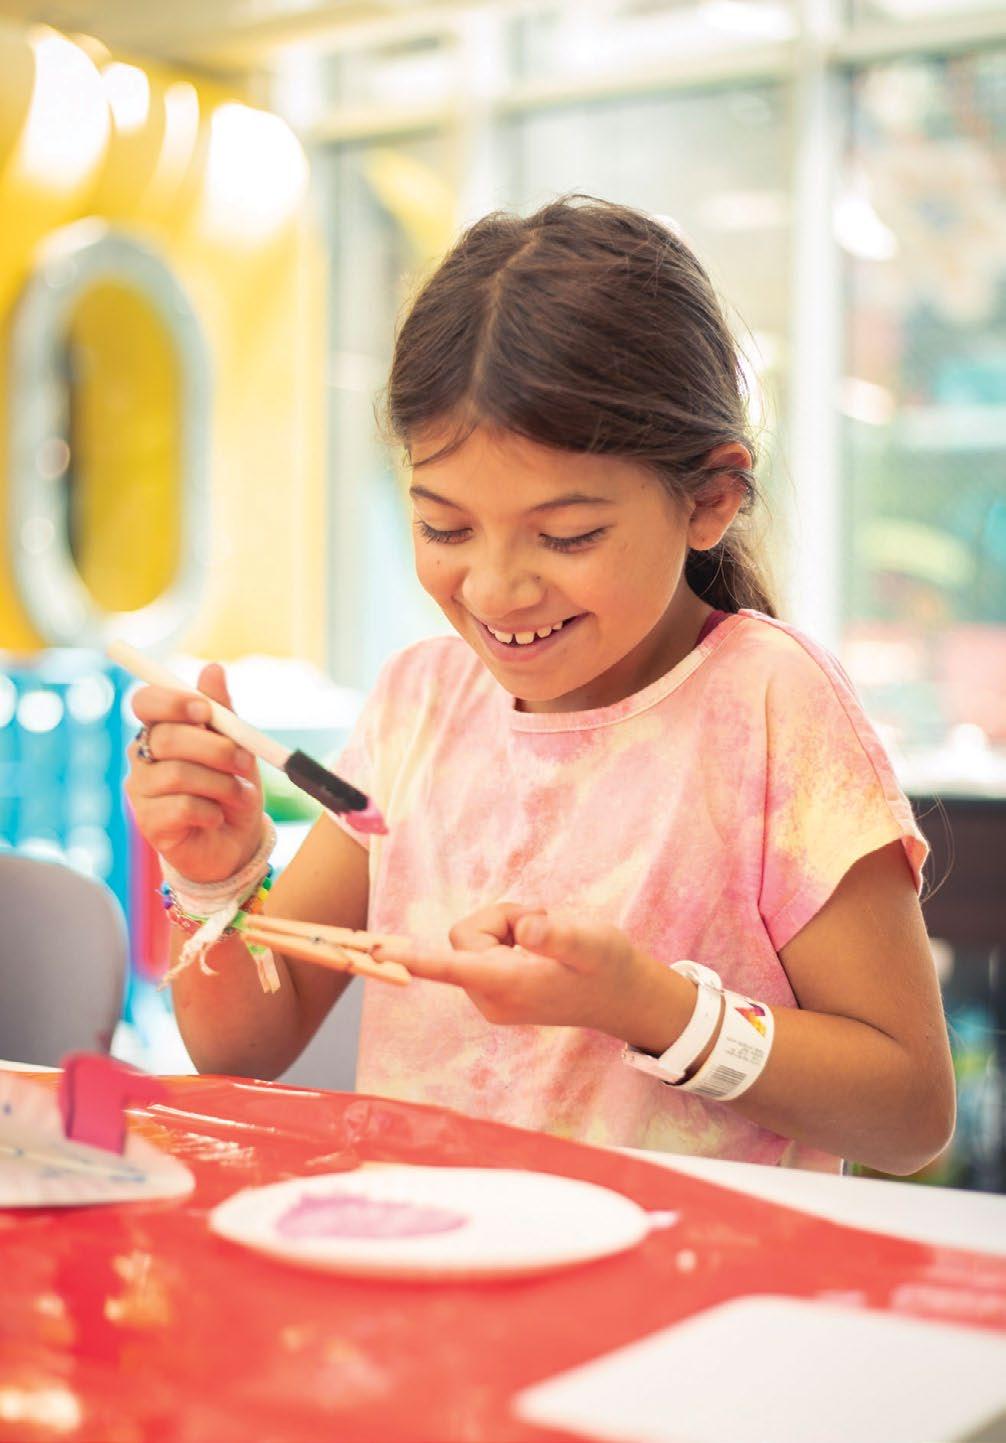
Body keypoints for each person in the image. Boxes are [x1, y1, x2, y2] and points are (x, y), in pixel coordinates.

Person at [125, 195, 955, 1175]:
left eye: (566, 536)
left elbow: (909, 1114)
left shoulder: (771, 706)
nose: (495, 589)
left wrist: (651, 1007)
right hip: (424, 1244)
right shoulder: (419, 703)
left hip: (683, 1266)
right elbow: (242, 1044)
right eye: (444, 527)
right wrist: (215, 874)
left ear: (710, 499)